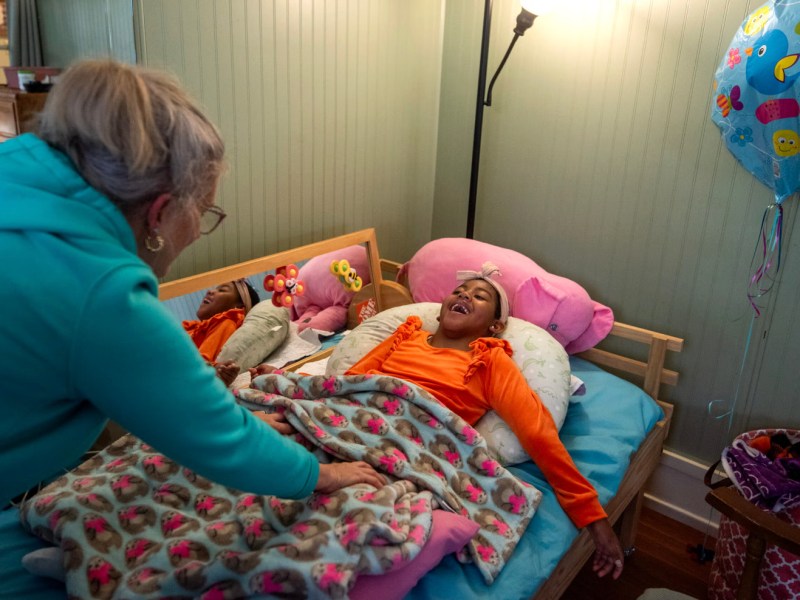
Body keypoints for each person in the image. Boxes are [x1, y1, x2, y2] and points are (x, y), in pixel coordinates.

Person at [0, 59, 385, 513]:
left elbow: (171, 400)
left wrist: (226, 417)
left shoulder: (17, 165)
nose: (199, 230)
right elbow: (214, 436)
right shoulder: (101, 295)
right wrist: (322, 474)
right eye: (204, 213)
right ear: (160, 213)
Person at [345, 263, 625, 579]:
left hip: (408, 444)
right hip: (354, 423)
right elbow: (350, 382)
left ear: (494, 326)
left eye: (480, 296)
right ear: (440, 311)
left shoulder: (489, 361)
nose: (465, 295)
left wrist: (592, 517)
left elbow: (538, 434)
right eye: (460, 291)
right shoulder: (405, 336)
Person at [183, 279, 260, 384]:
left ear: (238, 307)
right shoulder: (194, 327)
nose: (210, 291)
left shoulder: (226, 322)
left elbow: (200, 363)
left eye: (222, 290)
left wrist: (216, 368)